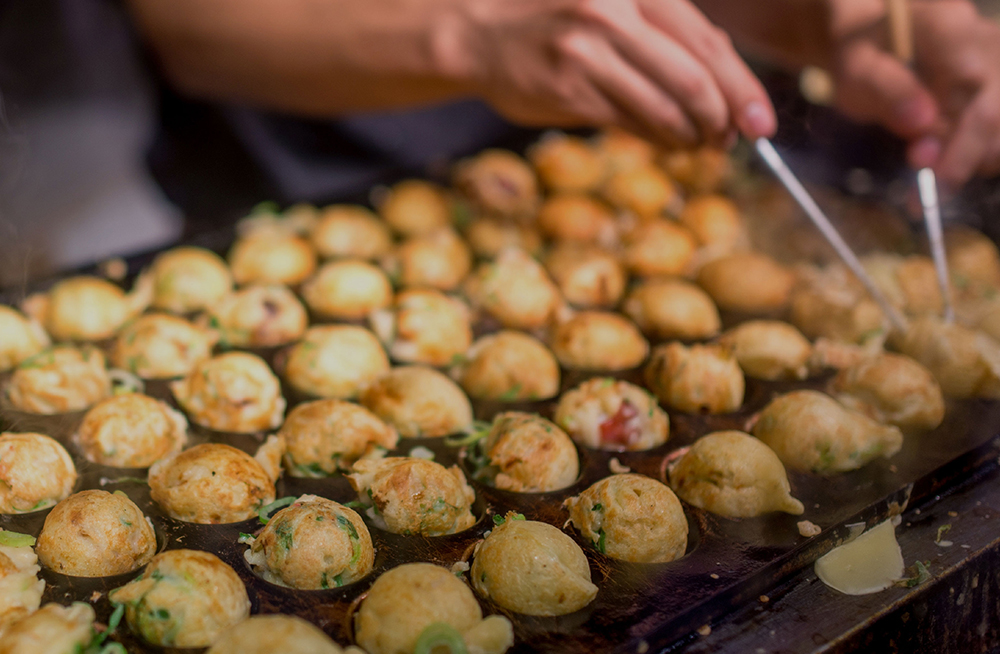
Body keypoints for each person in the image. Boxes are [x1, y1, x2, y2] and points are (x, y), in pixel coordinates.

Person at [126, 0, 1000, 197]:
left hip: (574, 153)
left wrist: (837, 17)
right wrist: (471, 36)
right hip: (296, 153)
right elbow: (184, 29)